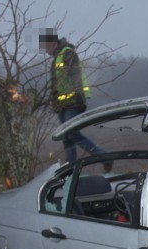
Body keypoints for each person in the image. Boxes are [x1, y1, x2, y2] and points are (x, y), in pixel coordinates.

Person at [39, 29, 105, 164]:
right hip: (63, 105)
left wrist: (72, 96)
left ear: (52, 43)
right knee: (67, 138)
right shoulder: (57, 57)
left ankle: (101, 155)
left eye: (45, 46)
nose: (45, 51)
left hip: (73, 102)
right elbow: (57, 84)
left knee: (72, 134)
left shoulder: (67, 53)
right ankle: (70, 168)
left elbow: (74, 77)